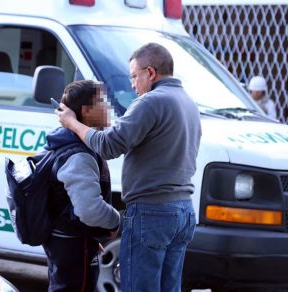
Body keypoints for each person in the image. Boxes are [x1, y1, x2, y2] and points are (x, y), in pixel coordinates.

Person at [56, 43, 202, 291]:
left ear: (151, 73)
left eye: (134, 76)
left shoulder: (150, 102)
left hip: (152, 212)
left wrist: (72, 123)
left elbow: (107, 145)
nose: (133, 84)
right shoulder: (188, 102)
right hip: (183, 212)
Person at [43, 80, 120, 291]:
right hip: (72, 244)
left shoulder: (73, 145)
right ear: (86, 111)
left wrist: (93, 236)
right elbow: (90, 210)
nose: (108, 108)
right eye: (102, 102)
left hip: (73, 241)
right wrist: (115, 222)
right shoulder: (78, 155)